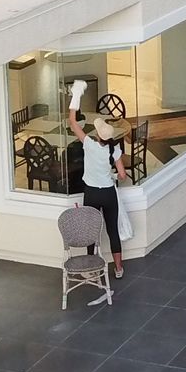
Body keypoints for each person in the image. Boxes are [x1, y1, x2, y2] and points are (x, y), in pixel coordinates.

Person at [65, 88, 126, 278]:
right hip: (108, 193)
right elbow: (123, 175)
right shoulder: (114, 151)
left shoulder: (89, 145)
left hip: (91, 192)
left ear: (98, 135)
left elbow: (72, 122)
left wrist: (76, 95)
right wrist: (113, 176)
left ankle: (90, 269)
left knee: (90, 230)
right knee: (112, 231)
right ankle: (118, 268)